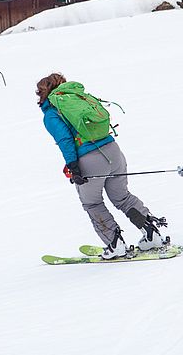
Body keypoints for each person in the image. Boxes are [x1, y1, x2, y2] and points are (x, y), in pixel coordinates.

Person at [36, 72, 169, 259]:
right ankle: (151, 234)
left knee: (92, 203)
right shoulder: (79, 98)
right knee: (122, 197)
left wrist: (74, 167)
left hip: (90, 160)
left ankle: (114, 244)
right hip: (113, 150)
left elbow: (65, 140)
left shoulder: (52, 112)